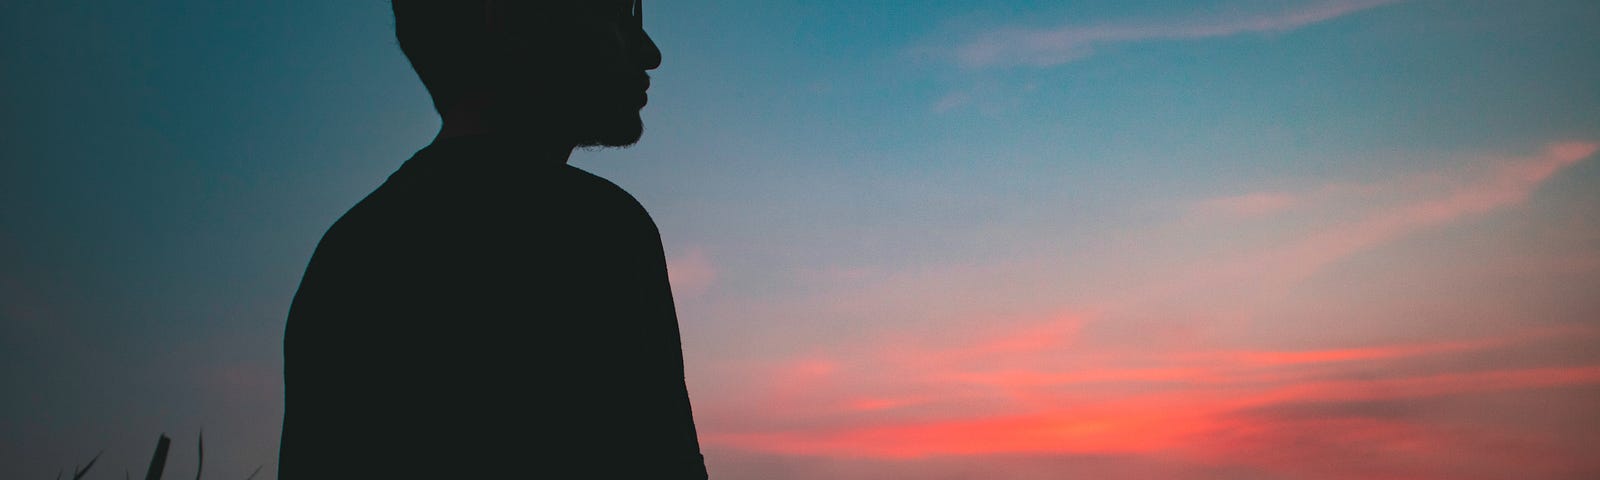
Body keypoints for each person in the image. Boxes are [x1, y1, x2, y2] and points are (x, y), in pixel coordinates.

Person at [278, 1, 707, 477]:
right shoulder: (597, 232)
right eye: (617, 15)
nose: (649, 52)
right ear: (514, 20)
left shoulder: (345, 254)